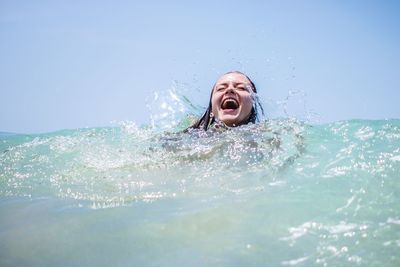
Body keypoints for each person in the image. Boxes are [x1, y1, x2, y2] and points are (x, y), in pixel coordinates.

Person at [187, 71, 264, 131]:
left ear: (253, 101)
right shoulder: (188, 137)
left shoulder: (268, 136)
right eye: (221, 88)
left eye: (241, 88)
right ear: (211, 108)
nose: (230, 89)